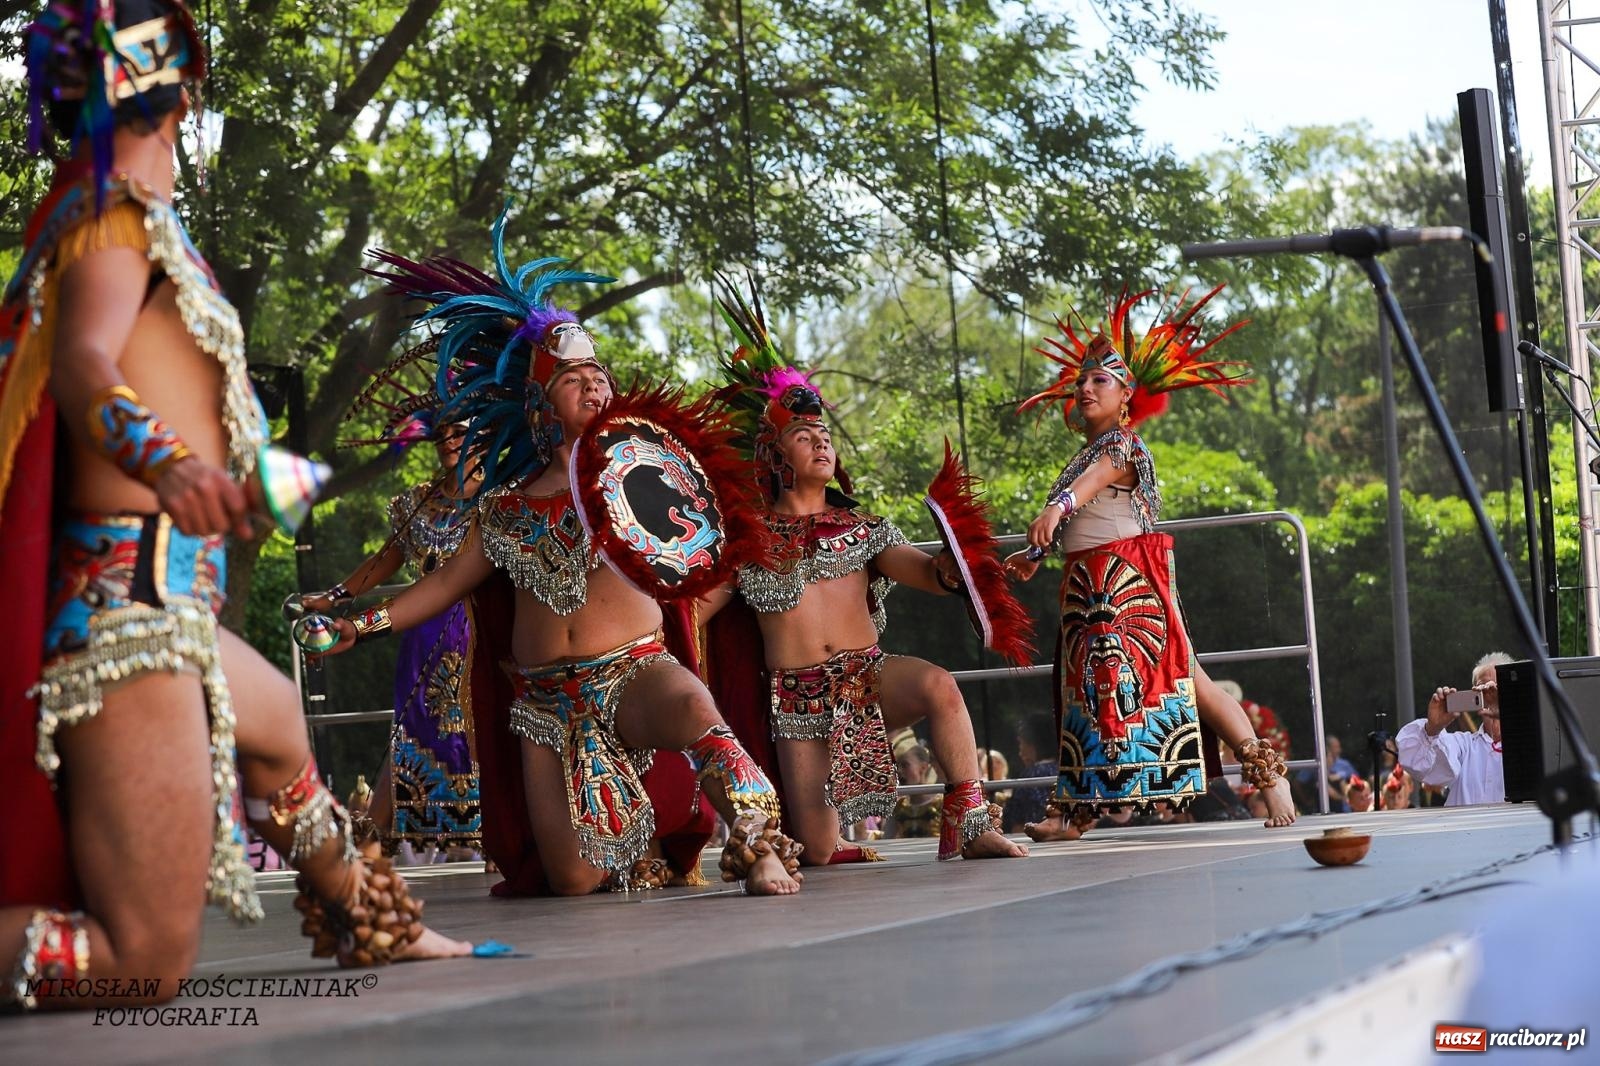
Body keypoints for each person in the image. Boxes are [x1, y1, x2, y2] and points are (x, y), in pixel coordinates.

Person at [0, 1, 468, 1009]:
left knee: (280, 728)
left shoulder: (131, 218)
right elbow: (83, 365)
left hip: (167, 600)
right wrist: (173, 466)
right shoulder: (111, 214)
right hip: (125, 613)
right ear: (181, 94)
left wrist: (232, 481)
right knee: (139, 961)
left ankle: (377, 920)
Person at [322, 220, 802, 896]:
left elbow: (703, 547)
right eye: (574, 378)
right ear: (538, 404)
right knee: (572, 882)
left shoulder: (642, 474)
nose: (594, 387)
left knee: (699, 713)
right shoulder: (503, 509)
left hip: (637, 669)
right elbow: (444, 584)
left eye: (599, 375)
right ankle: (631, 845)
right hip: (546, 705)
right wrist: (360, 624)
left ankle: (759, 847)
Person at [699, 287, 1027, 866]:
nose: (820, 443)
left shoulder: (864, 527)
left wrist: (952, 567)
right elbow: (693, 611)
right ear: (775, 456)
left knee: (939, 686)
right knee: (818, 851)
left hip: (865, 679)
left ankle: (971, 822)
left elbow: (924, 572)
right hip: (796, 702)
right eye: (804, 437)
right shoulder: (746, 541)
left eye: (825, 437)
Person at [1005, 286, 1297, 838]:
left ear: (1125, 395)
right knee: (1082, 695)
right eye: (1082, 381)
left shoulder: (1124, 447)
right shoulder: (1081, 456)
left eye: (1100, 381)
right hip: (1088, 585)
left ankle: (1269, 776)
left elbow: (1088, 490)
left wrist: (1058, 506)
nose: (1086, 388)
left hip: (1129, 581)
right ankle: (1074, 812)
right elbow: (1077, 513)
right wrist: (1035, 553)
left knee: (1188, 680)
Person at [305, 418, 484, 860]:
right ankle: (371, 846)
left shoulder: (504, 498)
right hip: (423, 640)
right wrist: (336, 596)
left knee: (485, 734)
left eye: (460, 431)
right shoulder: (418, 502)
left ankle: (501, 839)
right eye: (441, 433)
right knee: (410, 735)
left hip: (484, 636)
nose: (448, 440)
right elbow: (387, 557)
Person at [1394, 652, 1509, 807]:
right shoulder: (1464, 746)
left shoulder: (1531, 741)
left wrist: (1509, 711)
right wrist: (1432, 729)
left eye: (1496, 687)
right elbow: (1418, 766)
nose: (1490, 695)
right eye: (1483, 688)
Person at [1002, 711, 1059, 832]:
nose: (1020, 752)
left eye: (1021, 743)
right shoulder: (1066, 772)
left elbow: (1015, 822)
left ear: (1032, 744)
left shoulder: (1031, 776)